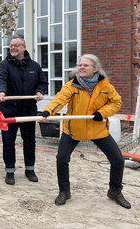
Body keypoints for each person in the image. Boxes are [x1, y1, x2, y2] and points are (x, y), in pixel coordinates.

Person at [41, 54, 131, 209]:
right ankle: (64, 191)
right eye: (80, 65)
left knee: (118, 160)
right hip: (73, 129)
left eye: (85, 65)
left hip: (97, 130)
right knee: (62, 159)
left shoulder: (105, 86)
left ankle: (115, 191)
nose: (81, 67)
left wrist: (102, 113)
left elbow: (116, 102)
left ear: (95, 68)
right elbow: (59, 99)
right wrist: (48, 112)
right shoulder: (72, 85)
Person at [0, 36, 47, 185]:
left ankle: (30, 169)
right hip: (9, 111)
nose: (13, 48)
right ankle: (9, 171)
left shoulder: (34, 66)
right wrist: (1, 92)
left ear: (24, 47)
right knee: (8, 142)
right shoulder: (4, 65)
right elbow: (0, 79)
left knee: (29, 142)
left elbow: (42, 82)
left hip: (28, 111)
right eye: (11, 46)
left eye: (16, 45)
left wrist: (39, 91)